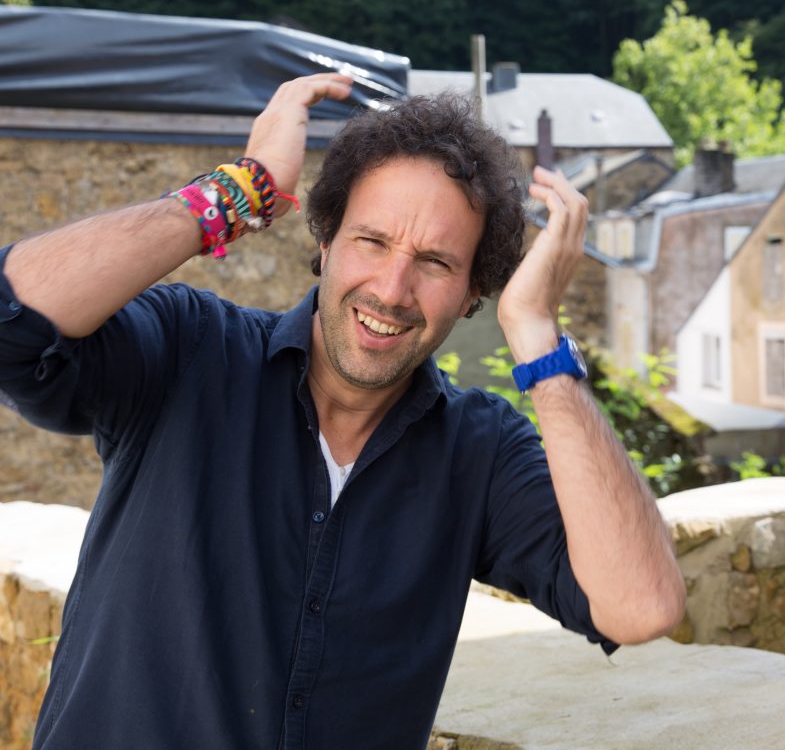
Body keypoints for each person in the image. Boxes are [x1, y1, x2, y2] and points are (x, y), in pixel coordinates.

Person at [0, 74, 685, 750]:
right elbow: (14, 320)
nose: (392, 289)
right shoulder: (191, 349)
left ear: (473, 293)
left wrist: (538, 337)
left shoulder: (479, 451)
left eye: (435, 262)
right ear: (326, 242)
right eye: (372, 241)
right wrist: (239, 190)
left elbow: (640, 605)